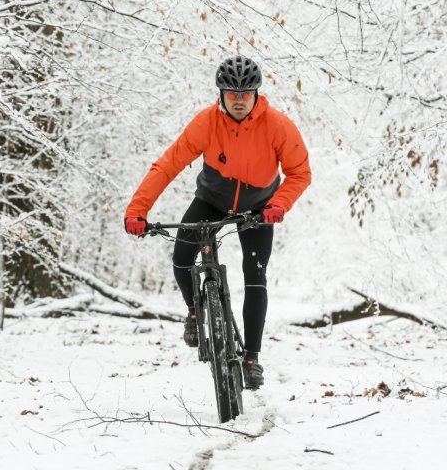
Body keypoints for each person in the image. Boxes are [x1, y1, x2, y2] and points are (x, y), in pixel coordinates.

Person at [124, 55, 311, 389]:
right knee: (182, 257)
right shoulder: (207, 122)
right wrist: (138, 210)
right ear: (221, 94)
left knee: (255, 277)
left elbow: (300, 173)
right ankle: (195, 312)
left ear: (256, 93)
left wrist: (278, 204)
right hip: (212, 200)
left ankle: (251, 358)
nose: (238, 100)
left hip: (258, 210)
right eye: (231, 93)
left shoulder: (278, 126)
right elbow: (168, 165)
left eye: (245, 93)